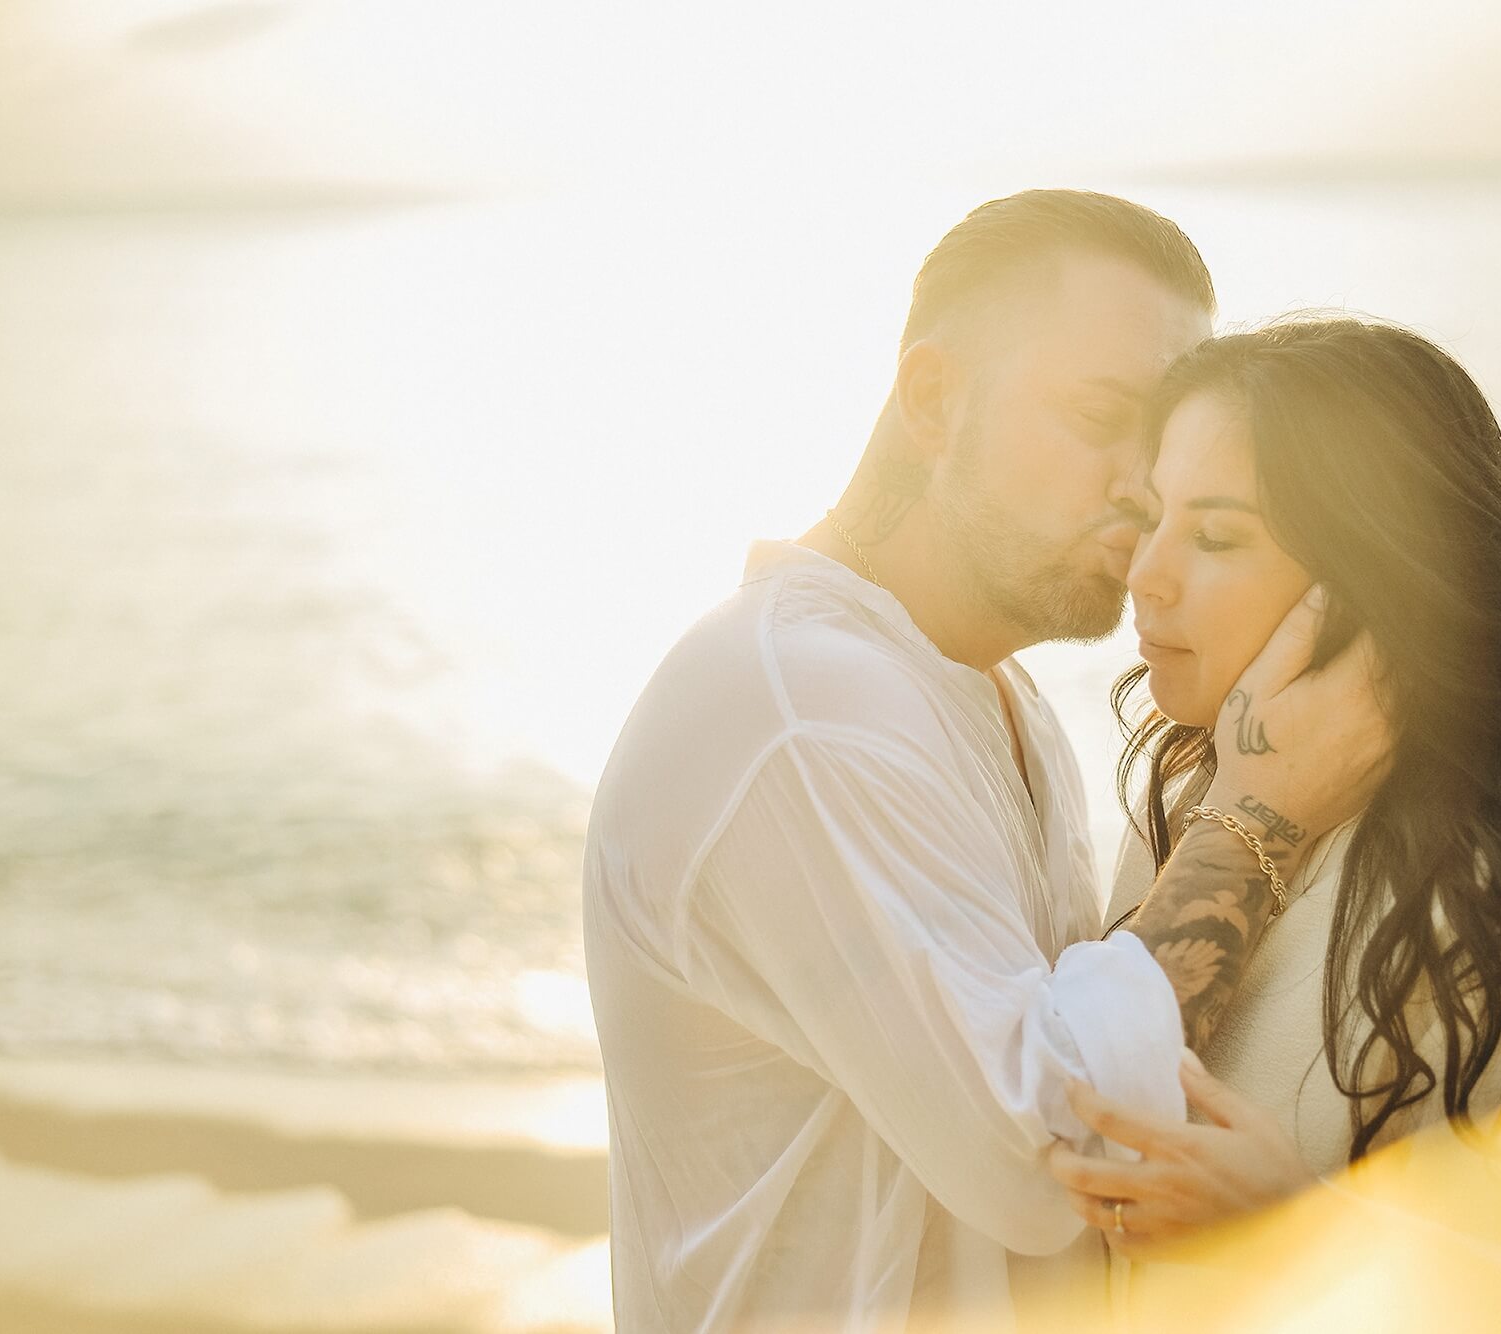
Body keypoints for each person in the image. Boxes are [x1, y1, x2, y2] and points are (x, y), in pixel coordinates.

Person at [581, 192, 1390, 1331]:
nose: (1141, 482)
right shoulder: (800, 710)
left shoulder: (988, 699)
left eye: (1157, 436)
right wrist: (1258, 811)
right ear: (932, 397)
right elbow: (1047, 1150)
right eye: (1099, 414)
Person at [1046, 319, 1501, 1322]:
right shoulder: (1192, 813)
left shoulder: (1469, 911)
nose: (1143, 572)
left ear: (1365, 579)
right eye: (1151, 517)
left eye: (1216, 535)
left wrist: (1300, 1230)